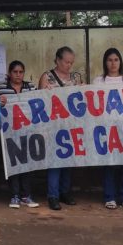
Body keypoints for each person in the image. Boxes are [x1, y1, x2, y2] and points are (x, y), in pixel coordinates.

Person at [37, 46, 83, 210]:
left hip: (71, 125)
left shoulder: (76, 77)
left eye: (71, 62)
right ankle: (53, 195)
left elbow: (83, 99)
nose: (69, 65)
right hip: (52, 126)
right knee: (55, 162)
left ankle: (65, 192)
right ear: (57, 60)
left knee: (68, 161)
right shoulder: (47, 77)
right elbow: (39, 101)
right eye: (66, 62)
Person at [93, 48, 123, 210]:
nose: (113, 63)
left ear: (120, 61)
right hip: (107, 128)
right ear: (105, 62)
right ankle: (110, 197)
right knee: (109, 163)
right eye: (110, 60)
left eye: (116, 59)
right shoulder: (98, 81)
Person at [0, 60, 39, 209]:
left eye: (21, 72)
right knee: (13, 164)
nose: (18, 75)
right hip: (9, 133)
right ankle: (14, 195)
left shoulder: (31, 87)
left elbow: (38, 104)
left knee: (27, 165)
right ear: (9, 73)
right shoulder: (1, 88)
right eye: (15, 72)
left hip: (28, 132)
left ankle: (26, 195)